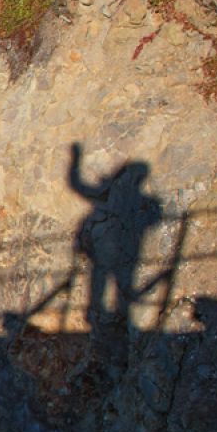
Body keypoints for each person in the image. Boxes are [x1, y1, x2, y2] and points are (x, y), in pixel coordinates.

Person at [67, 142, 163, 333]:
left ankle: (106, 320)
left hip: (112, 248)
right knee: (113, 284)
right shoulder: (144, 201)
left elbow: (77, 186)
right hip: (124, 249)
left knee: (103, 281)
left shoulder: (112, 195)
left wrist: (75, 159)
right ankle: (114, 320)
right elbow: (153, 219)